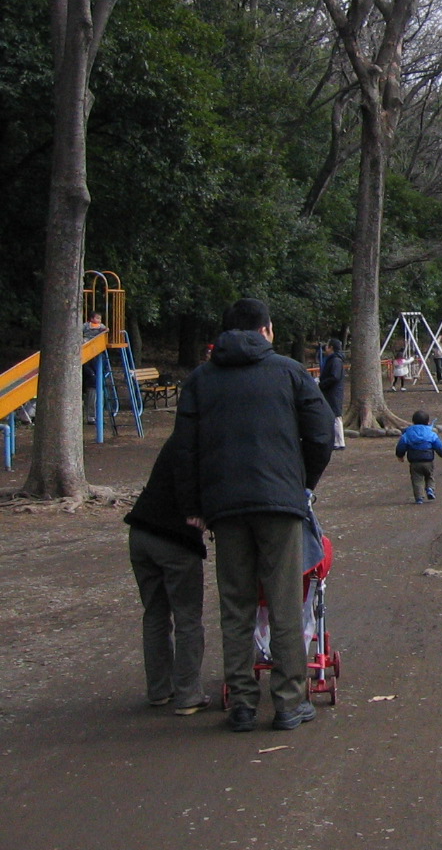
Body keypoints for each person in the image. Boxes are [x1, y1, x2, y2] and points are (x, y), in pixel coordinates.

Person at [171, 297, 333, 734]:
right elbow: (321, 432)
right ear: (268, 330)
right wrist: (302, 483)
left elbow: (183, 450)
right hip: (279, 503)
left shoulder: (202, 380)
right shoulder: (290, 372)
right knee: (283, 601)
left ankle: (241, 702)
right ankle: (287, 701)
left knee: (236, 603)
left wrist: (193, 507)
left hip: (225, 508)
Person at [126, 439, 209, 716]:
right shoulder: (209, 447)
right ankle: (188, 695)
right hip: (176, 539)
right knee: (187, 616)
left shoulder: (178, 441)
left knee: (155, 613)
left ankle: (159, 690)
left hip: (140, 530)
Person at [395, 410, 442, 503]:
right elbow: (438, 445)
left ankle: (419, 497)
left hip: (414, 462)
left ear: (413, 422)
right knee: (429, 476)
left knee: (416, 479)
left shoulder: (408, 433)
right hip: (428, 460)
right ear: (428, 422)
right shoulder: (431, 433)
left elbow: (401, 445)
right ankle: (430, 489)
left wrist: (400, 455)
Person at [319, 339, 346, 450]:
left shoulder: (335, 361)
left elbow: (334, 377)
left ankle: (339, 442)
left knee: (336, 416)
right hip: (331, 391)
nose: (325, 348)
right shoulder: (334, 360)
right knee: (333, 415)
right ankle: (336, 440)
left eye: (327, 346)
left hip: (333, 392)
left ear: (331, 348)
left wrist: (322, 384)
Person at [82, 310, 106, 423]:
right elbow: (85, 366)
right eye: (97, 318)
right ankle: (91, 417)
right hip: (91, 381)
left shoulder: (98, 355)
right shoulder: (86, 326)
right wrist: (91, 374)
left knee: (98, 399)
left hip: (96, 380)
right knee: (92, 398)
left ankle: (98, 416)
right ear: (91, 319)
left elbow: (104, 330)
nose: (99, 321)